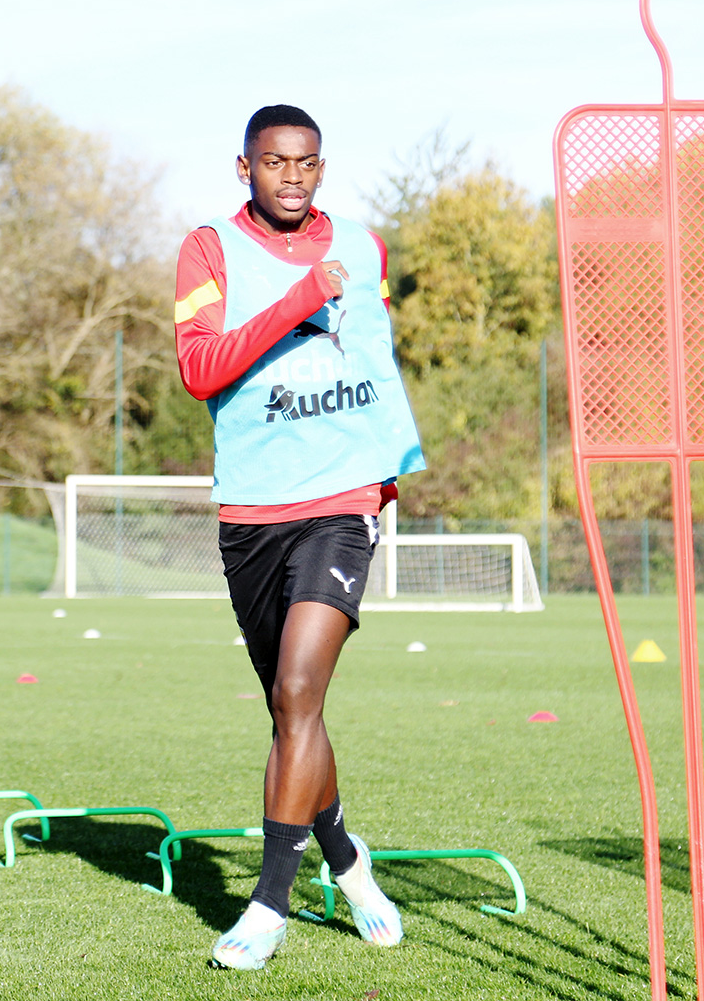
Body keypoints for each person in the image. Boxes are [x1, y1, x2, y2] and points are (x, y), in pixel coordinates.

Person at [173, 105, 426, 969]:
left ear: (322, 167)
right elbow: (200, 368)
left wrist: (386, 474)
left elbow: (376, 359)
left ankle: (268, 907)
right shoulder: (208, 248)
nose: (292, 176)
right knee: (295, 713)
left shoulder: (362, 244)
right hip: (252, 510)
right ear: (244, 167)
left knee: (296, 693)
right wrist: (295, 301)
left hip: (341, 499)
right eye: (274, 162)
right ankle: (348, 861)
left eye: (307, 163)